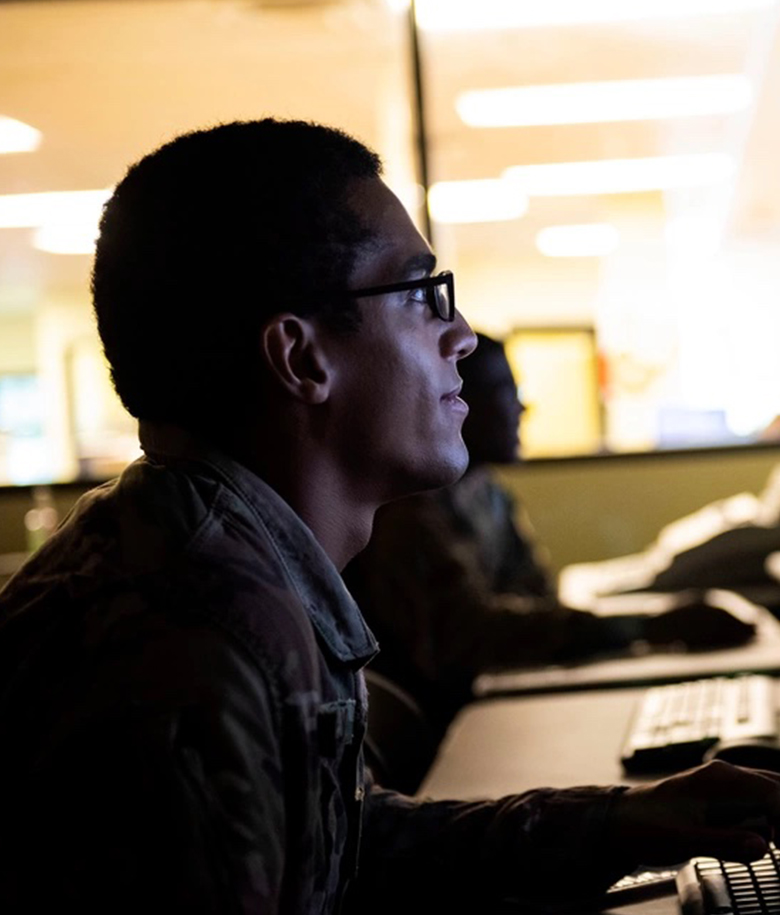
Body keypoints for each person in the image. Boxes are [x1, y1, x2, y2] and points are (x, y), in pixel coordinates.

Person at [0, 119, 777, 915]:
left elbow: (344, 848)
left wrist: (620, 822)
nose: (461, 335)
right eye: (416, 293)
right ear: (303, 358)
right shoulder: (195, 636)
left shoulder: (217, 555)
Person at [344, 333, 756, 734]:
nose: (524, 407)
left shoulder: (487, 493)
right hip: (450, 736)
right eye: (504, 391)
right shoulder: (408, 511)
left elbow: (537, 597)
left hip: (494, 712)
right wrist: (647, 626)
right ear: (455, 402)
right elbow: (470, 635)